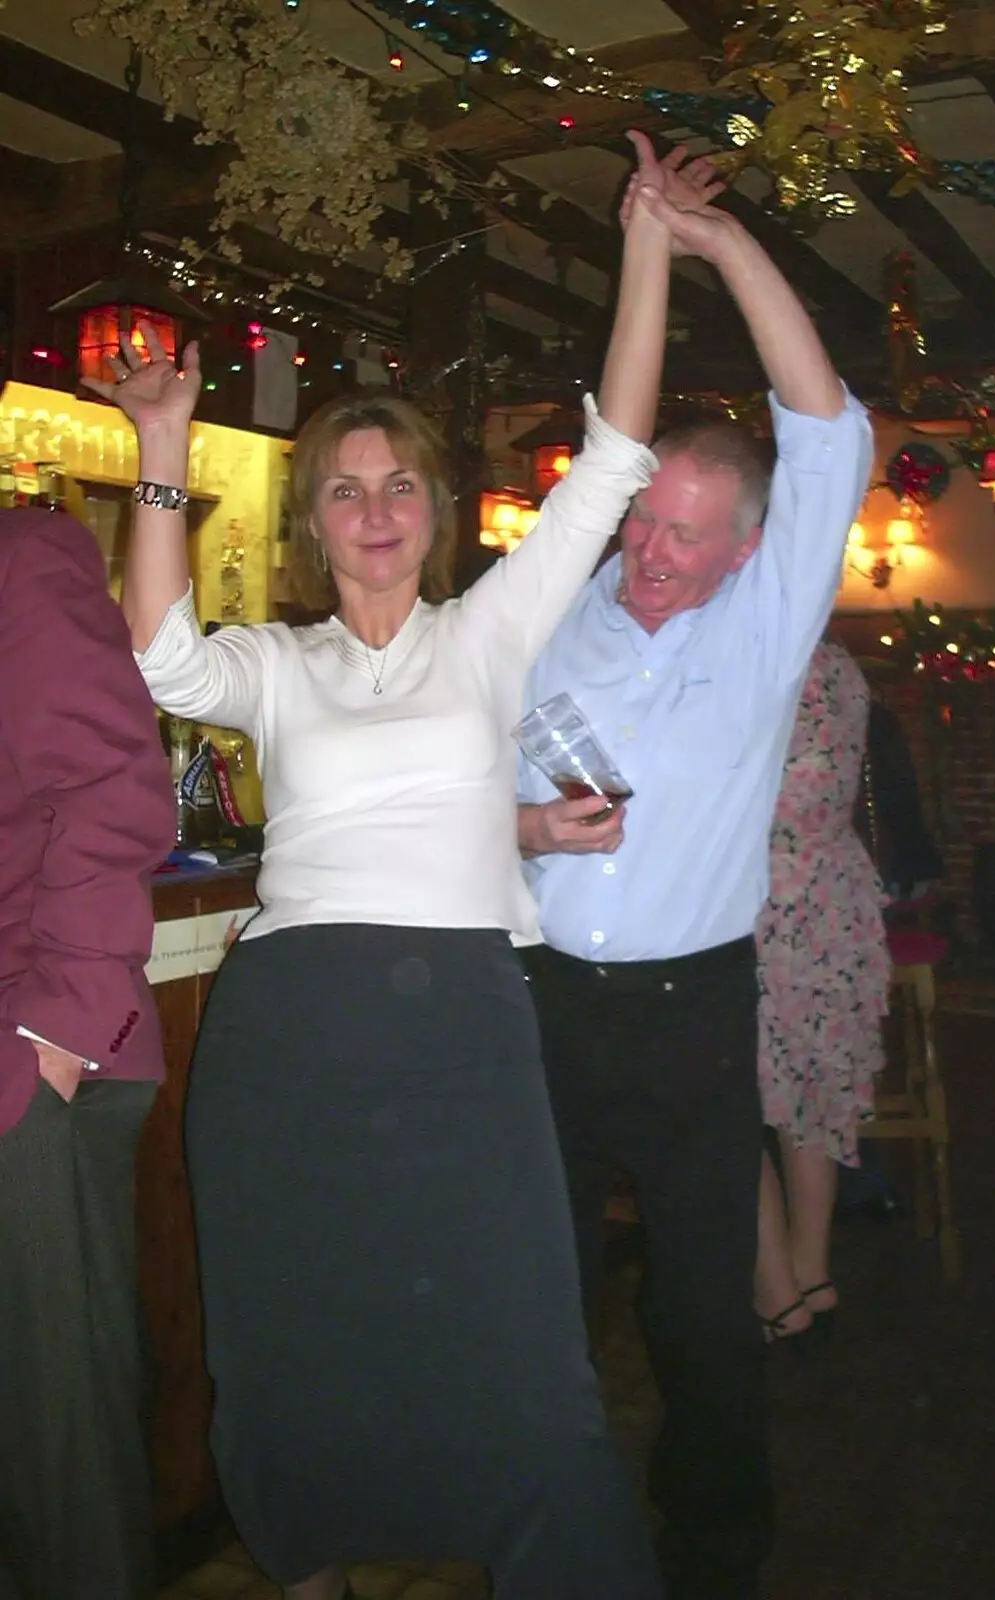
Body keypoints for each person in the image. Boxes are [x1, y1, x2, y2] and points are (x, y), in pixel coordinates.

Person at [83, 135, 711, 1600]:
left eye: (401, 486)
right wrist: (163, 450)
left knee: (516, 1331)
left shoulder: (485, 635)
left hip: (458, 1031)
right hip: (290, 1031)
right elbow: (155, 654)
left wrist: (646, 245)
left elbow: (614, 457)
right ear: (314, 526)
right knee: (289, 1331)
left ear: (435, 512)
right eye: (345, 489)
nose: (374, 509)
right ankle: (305, 1554)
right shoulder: (280, 663)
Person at [517, 151, 874, 1600]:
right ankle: (536, 1513)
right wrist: (528, 833)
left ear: (746, 550)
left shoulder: (763, 625)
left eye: (682, 534)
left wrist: (716, 239)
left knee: (700, 1313)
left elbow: (826, 423)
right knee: (535, 1286)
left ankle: (716, 1540)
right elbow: (472, 797)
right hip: (537, 997)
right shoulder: (560, 603)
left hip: (685, 1008)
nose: (649, 552)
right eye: (641, 522)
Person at [0, 508, 174, 1600]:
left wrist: (55, 1037)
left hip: (25, 1073)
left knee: (57, 1466)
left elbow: (115, 786)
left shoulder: (25, 556)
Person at [753, 639, 891, 1345]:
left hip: (760, 904)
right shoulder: (839, 663)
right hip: (833, 896)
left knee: (722, 1101)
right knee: (810, 1098)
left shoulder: (750, 661)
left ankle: (776, 1291)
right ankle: (810, 1274)